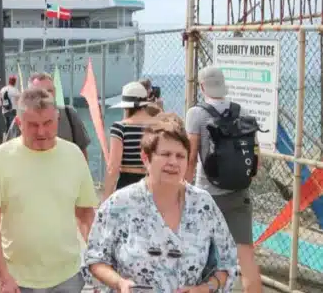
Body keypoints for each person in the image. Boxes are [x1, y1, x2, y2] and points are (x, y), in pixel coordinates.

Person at [83, 116, 238, 291]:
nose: (173, 162)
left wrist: (206, 287)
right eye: (165, 154)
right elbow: (94, 259)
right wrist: (119, 283)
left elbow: (228, 262)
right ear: (146, 158)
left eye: (180, 156)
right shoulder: (119, 204)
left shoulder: (203, 204)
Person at [0, 88, 97, 292]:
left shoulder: (74, 155)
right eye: (33, 125)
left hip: (67, 277)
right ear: (19, 122)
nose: (41, 132)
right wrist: (2, 275)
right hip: (15, 279)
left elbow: (85, 215)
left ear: (57, 119)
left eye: (48, 123)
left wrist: (97, 265)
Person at [186, 66, 263, 293]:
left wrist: (185, 190)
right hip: (239, 193)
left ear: (202, 86)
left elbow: (190, 158)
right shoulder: (242, 111)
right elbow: (255, 157)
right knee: (247, 258)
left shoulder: (196, 114)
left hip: (207, 195)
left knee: (199, 256)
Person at [5, 72, 91, 159]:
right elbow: (10, 151)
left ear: (55, 92)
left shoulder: (69, 114)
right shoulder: (22, 118)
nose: (46, 95)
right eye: (40, 91)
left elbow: (82, 150)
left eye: (49, 91)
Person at [103, 81, 161, 201]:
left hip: (127, 182)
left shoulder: (120, 127)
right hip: (153, 182)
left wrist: (105, 198)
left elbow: (113, 166)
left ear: (125, 106)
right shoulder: (159, 125)